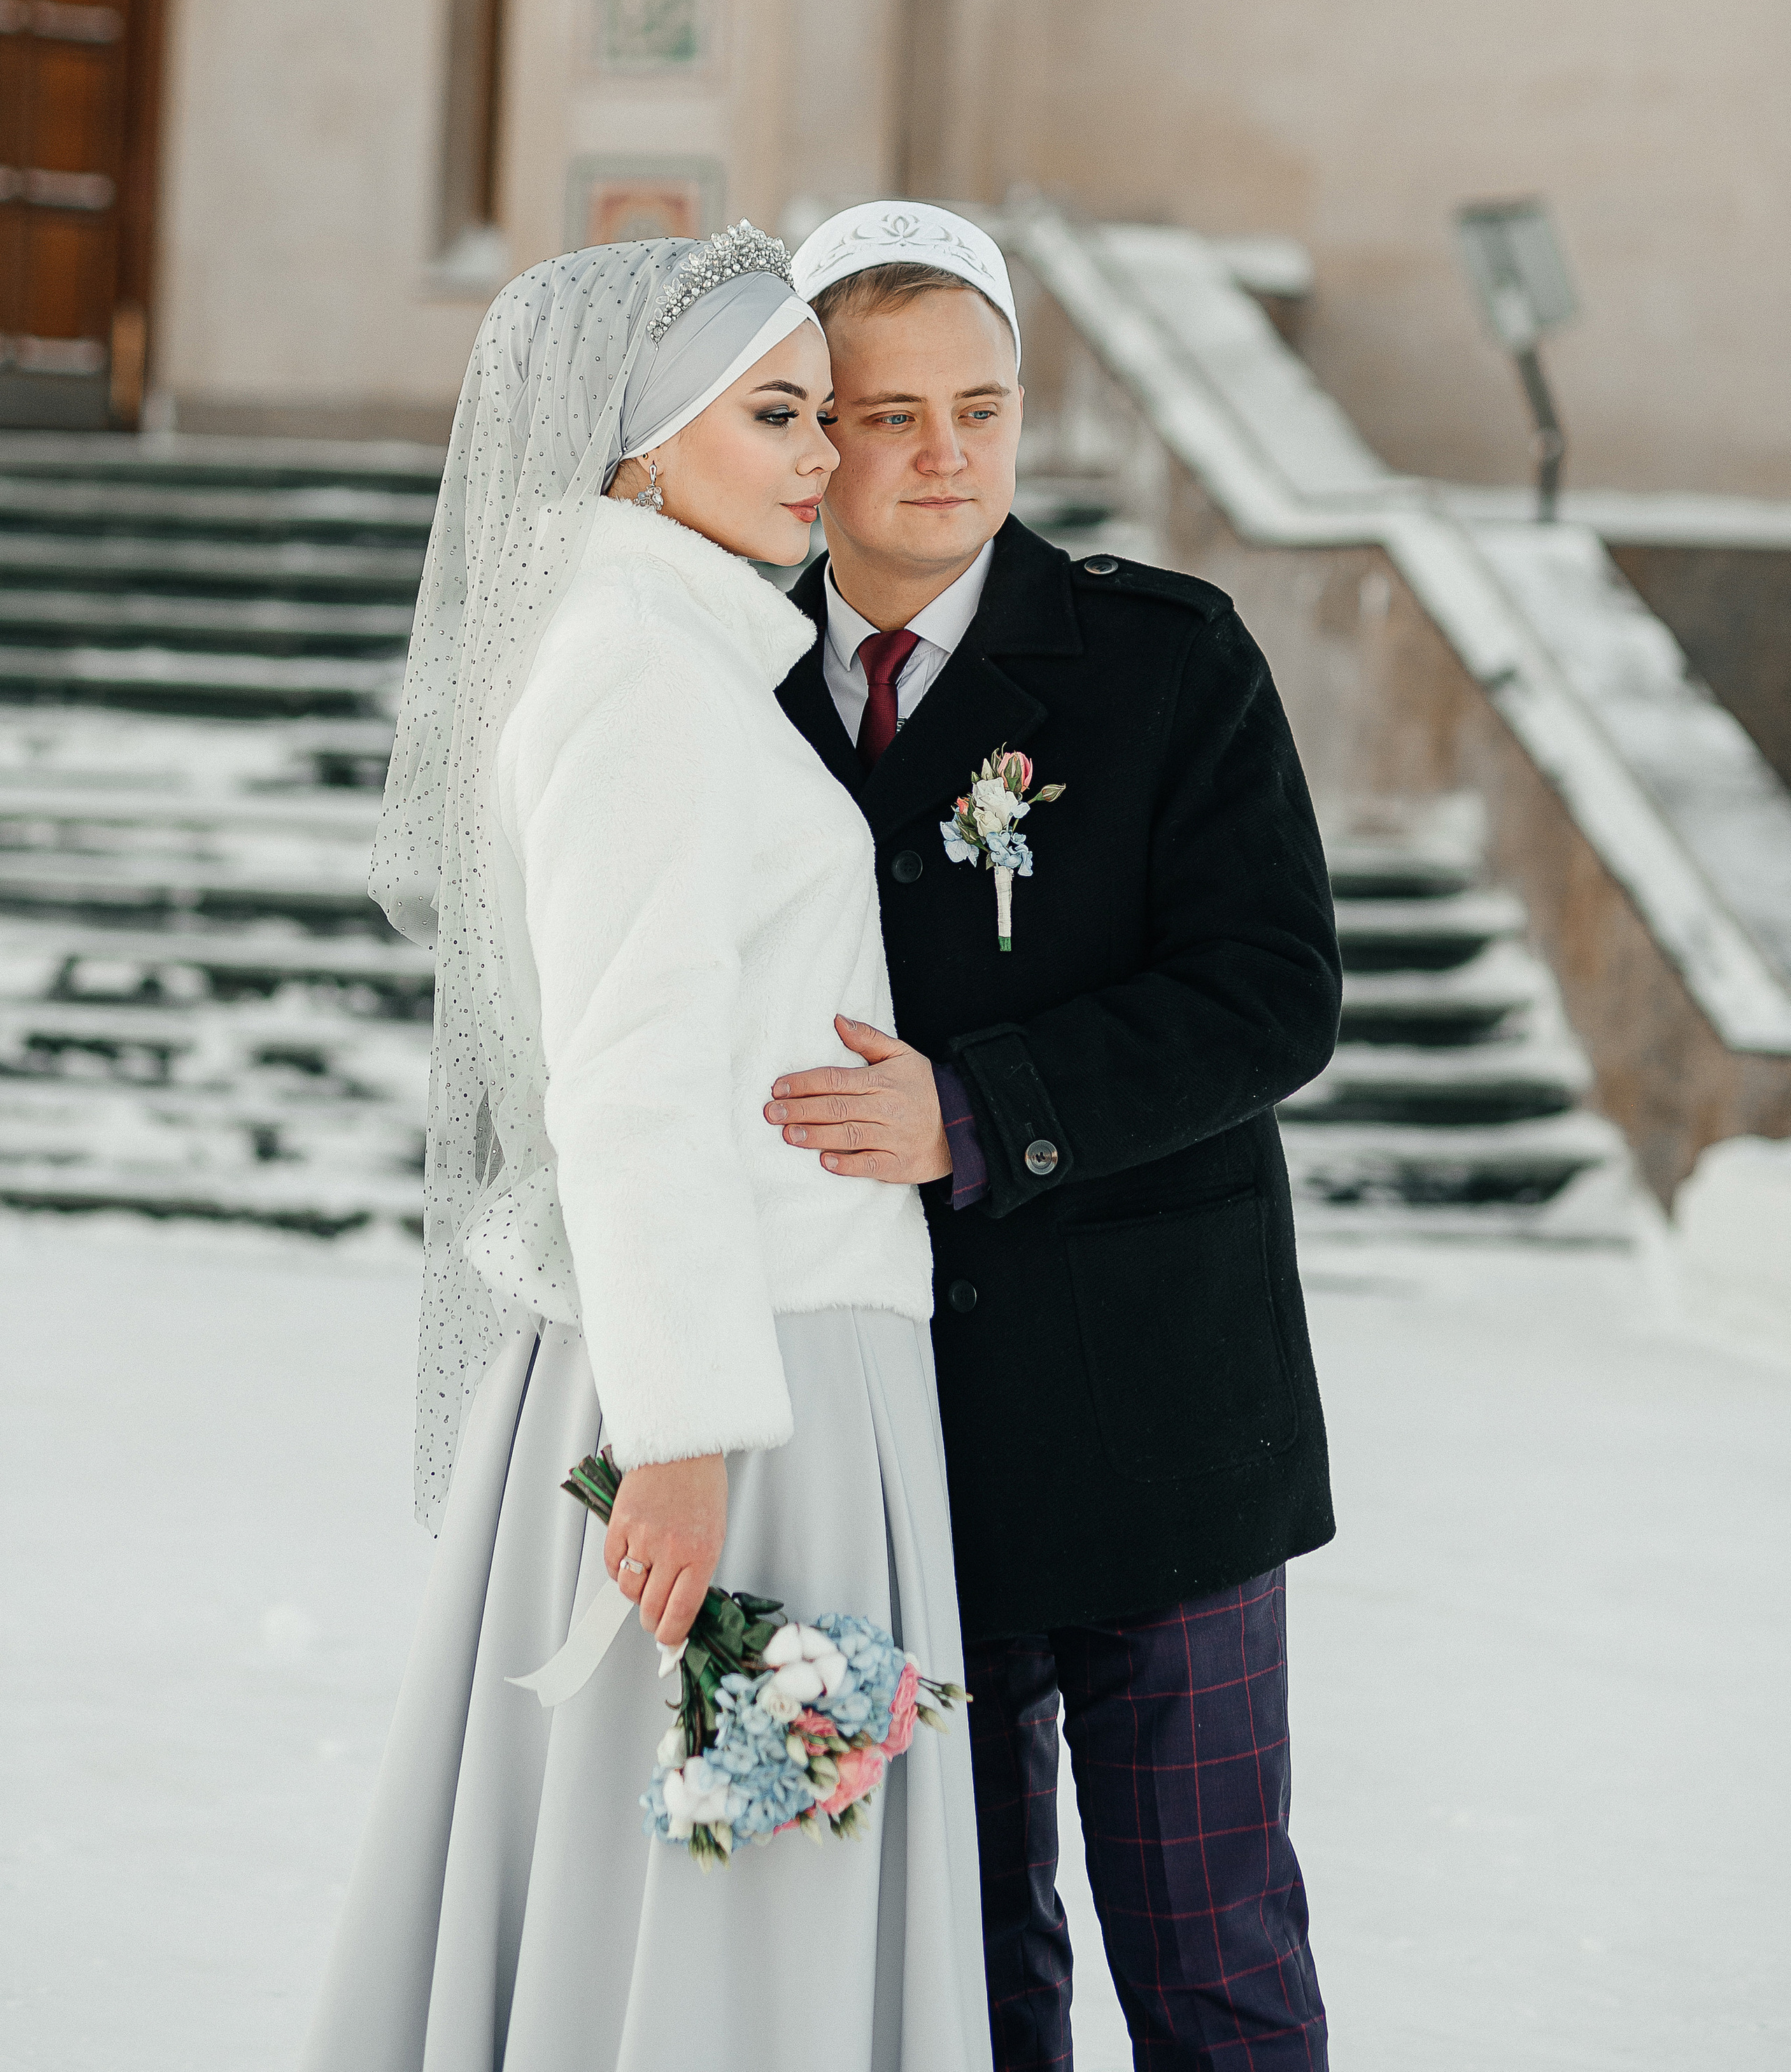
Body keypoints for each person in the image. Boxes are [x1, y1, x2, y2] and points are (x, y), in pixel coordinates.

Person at [302, 233, 991, 2072]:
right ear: (633, 439)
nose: (825, 455)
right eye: (776, 415)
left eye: (823, 415)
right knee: (729, 1894)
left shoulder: (674, 653)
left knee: (745, 1871)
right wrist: (683, 1444)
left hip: (767, 1343)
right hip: (727, 1373)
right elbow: (627, 1077)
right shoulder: (637, 676)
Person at [767, 201, 1342, 2070]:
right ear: (812, 431)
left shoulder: (1165, 659)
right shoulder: (731, 679)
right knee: (960, 1978)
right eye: (892, 414)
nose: (948, 456)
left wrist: (976, 1108)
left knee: (1213, 1958)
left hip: (1163, 1427)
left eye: (985, 409)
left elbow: (1272, 995)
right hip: (886, 1438)